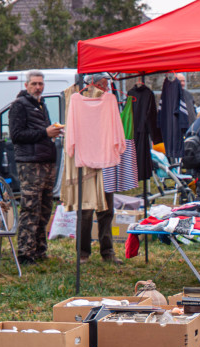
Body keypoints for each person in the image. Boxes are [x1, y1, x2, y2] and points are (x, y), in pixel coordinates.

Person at [9, 70, 63, 265]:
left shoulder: (41, 105)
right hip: (30, 164)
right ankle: (25, 253)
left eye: (40, 84)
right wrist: (44, 132)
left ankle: (40, 250)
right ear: (26, 85)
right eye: (34, 84)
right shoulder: (19, 106)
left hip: (47, 161)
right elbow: (16, 135)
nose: (38, 87)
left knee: (45, 207)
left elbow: (41, 133)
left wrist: (52, 133)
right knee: (30, 208)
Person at [77, 73, 121, 265]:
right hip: (86, 162)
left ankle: (107, 250)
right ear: (92, 85)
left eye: (106, 85)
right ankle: (83, 252)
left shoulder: (109, 103)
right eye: (102, 85)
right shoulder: (81, 103)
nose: (105, 89)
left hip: (106, 162)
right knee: (86, 210)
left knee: (107, 209)